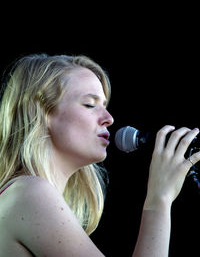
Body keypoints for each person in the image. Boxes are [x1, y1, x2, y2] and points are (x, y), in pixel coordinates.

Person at [0, 53, 199, 257]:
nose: (109, 119)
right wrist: (159, 200)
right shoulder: (30, 193)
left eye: (104, 106)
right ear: (41, 113)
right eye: (89, 105)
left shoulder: (22, 193)